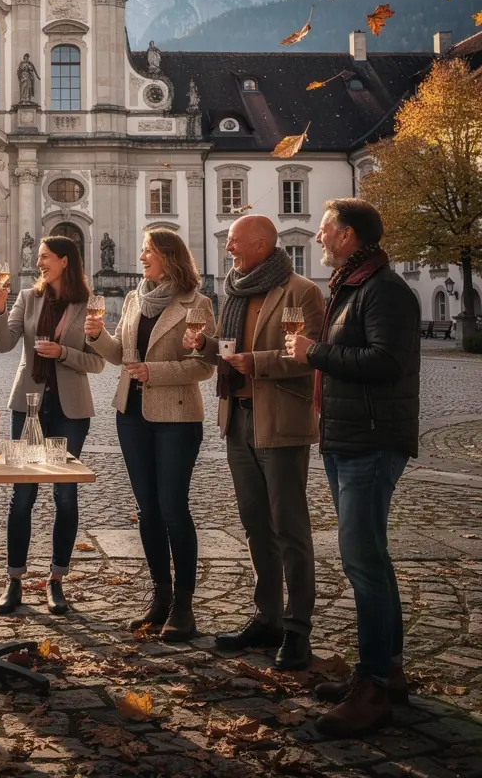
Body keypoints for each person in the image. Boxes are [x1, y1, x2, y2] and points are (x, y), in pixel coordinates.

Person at [287, 199, 420, 736]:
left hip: (369, 439)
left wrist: (314, 353)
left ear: (346, 235)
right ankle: (386, 671)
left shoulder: (384, 290)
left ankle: (373, 688)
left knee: (362, 561)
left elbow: (389, 363)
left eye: (323, 231)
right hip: (348, 437)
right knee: (370, 559)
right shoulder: (356, 285)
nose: (317, 239)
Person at [183, 215, 324, 671]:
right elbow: (227, 355)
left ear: (262, 245)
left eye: (236, 242)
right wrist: (204, 346)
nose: (229, 248)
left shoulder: (301, 291)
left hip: (279, 421)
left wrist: (255, 361)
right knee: (255, 525)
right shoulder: (234, 291)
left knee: (290, 528)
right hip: (238, 418)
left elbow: (306, 357)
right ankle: (267, 617)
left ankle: (298, 627)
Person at [84, 229, 215, 640]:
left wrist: (153, 372)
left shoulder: (198, 303)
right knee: (147, 511)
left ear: (169, 257)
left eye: (148, 251)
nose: (142, 257)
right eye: (142, 250)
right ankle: (159, 596)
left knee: (174, 509)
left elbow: (203, 367)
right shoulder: (134, 298)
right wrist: (95, 336)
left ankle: (184, 605)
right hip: (132, 415)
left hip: (176, 416)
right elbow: (121, 355)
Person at [0, 235, 104, 615]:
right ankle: (15, 579)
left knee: (64, 496)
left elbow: (97, 363)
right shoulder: (27, 297)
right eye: (38, 256)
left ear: (66, 261)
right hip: (28, 405)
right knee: (22, 495)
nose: (39, 262)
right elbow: (6, 344)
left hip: (70, 411)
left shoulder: (86, 303)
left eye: (45, 257)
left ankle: (56, 580)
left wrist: (64, 353)